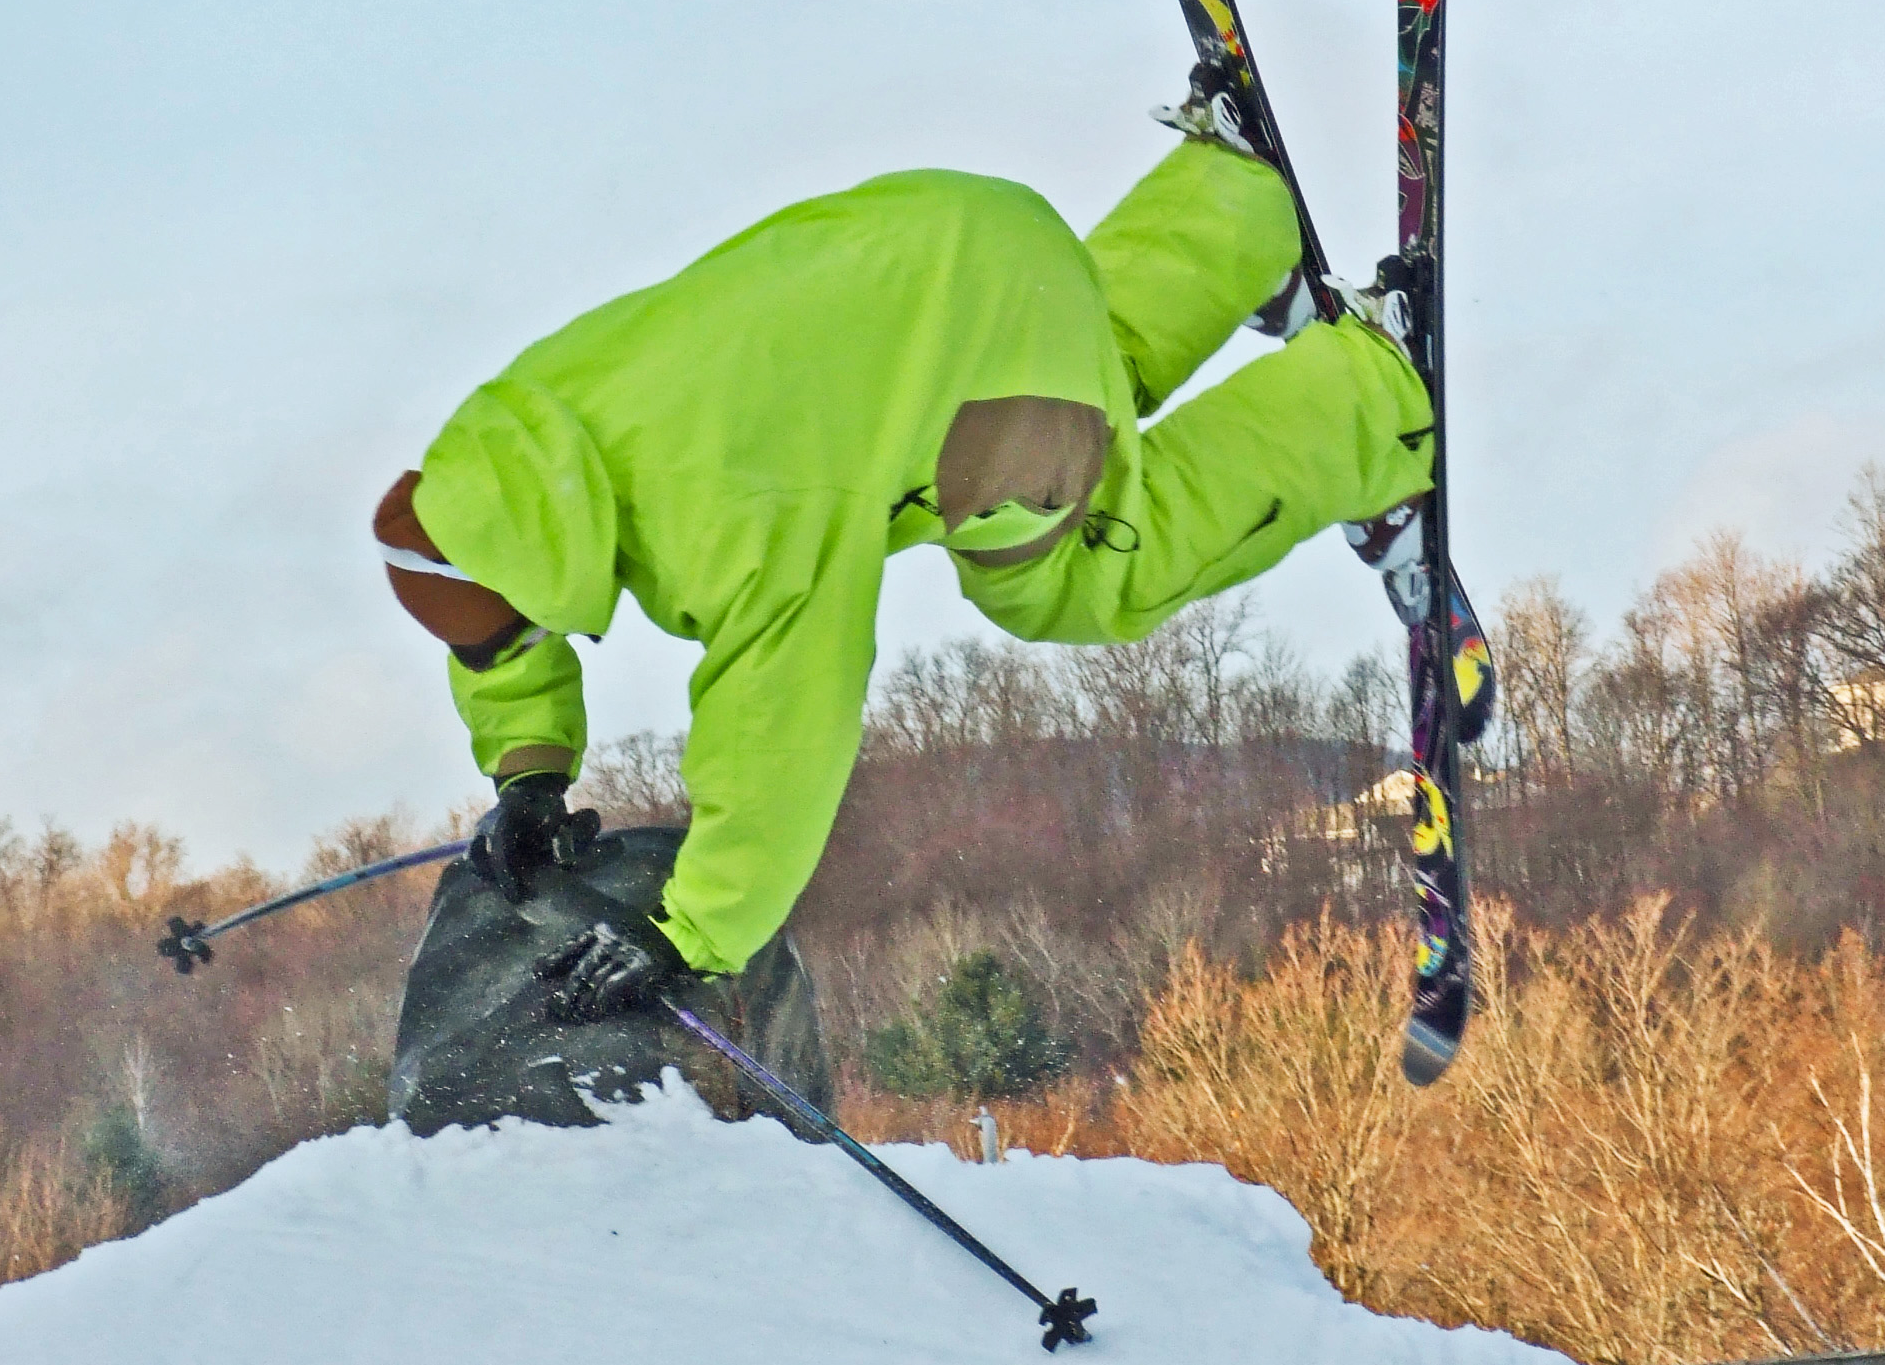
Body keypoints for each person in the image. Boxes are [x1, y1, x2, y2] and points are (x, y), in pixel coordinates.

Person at [377, 76, 1434, 1131]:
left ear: (538, 570)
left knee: (1077, 573)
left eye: (531, 628)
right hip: (955, 241)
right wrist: (529, 771)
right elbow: (494, 624)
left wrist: (692, 932)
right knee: (1078, 377)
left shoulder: (726, 521)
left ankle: (1365, 401)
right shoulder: (525, 438)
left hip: (983, 361)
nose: (532, 643)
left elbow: (785, 721)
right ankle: (1229, 206)